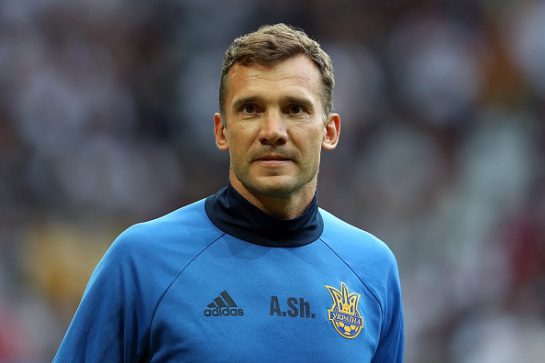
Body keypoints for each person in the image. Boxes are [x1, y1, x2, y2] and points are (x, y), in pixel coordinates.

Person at [53, 23, 403, 362]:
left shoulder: (373, 268)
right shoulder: (140, 261)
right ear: (221, 131)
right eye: (251, 109)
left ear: (330, 131)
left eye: (295, 109)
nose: (273, 131)